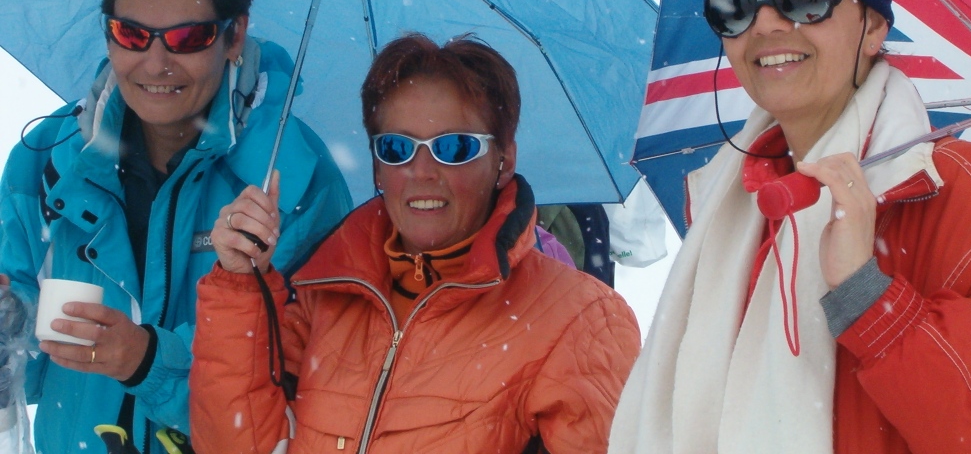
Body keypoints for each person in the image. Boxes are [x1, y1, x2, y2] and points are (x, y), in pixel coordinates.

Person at [609, 0, 971, 453]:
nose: (766, 25)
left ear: (874, 24)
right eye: (735, 3)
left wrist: (866, 297)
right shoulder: (731, 201)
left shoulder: (959, 191)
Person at [0, 0, 352, 454]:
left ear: (234, 35)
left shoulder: (295, 180)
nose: (155, 64)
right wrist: (13, 321)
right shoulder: (50, 157)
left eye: (189, 37)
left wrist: (147, 361)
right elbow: (25, 343)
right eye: (131, 34)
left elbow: (301, 387)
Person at [190, 33, 641, 453]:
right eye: (396, 148)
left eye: (455, 147)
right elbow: (239, 445)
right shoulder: (322, 293)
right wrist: (238, 285)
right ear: (376, 167)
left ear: (504, 161)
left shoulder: (581, 318)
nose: (421, 171)